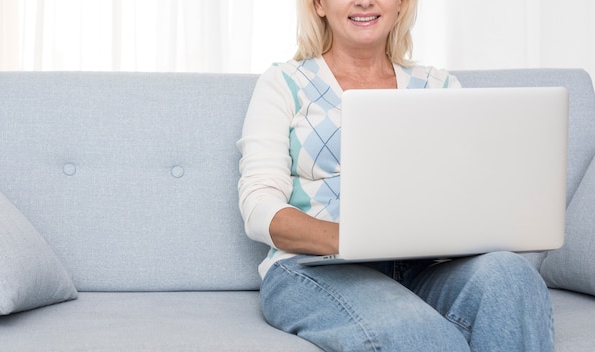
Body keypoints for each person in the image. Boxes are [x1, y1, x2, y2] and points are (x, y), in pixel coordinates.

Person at [237, 0, 554, 351]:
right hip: (313, 268)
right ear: (319, 5)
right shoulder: (283, 82)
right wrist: (352, 239)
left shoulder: (439, 86)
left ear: (402, 4)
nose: (364, 1)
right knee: (417, 331)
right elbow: (258, 206)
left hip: (423, 269)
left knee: (513, 277)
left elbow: (467, 194)